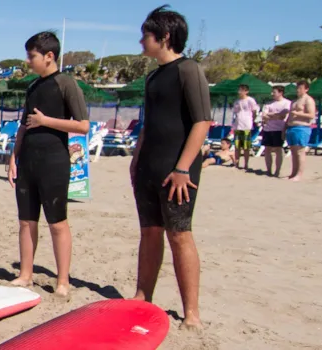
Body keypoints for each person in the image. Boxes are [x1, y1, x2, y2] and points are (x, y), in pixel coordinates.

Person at [130, 5, 211, 330]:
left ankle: (191, 313)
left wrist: (182, 169)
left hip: (178, 169)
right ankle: (142, 296)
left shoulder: (188, 70)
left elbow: (202, 122)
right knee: (149, 232)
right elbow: (149, 125)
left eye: (145, 35)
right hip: (148, 166)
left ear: (164, 37)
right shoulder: (152, 76)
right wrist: (136, 160)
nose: (141, 41)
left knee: (179, 234)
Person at [6, 32, 89, 296]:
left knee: (57, 222)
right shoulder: (32, 87)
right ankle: (25, 275)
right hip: (28, 160)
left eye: (32, 56)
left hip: (54, 161)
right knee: (26, 221)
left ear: (49, 56)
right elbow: (23, 126)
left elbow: (83, 126)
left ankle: (63, 280)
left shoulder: (66, 83)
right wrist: (14, 156)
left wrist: (46, 122)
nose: (28, 61)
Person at [285, 81, 317, 182]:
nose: (298, 90)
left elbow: (311, 115)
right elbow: (289, 116)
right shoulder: (294, 101)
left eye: (300, 88)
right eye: (297, 88)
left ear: (306, 89)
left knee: (300, 152)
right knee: (293, 151)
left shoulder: (308, 100)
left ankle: (299, 174)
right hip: (291, 127)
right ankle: (293, 173)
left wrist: (298, 114)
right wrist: (285, 128)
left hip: (302, 127)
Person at [259, 86, 291, 177]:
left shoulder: (287, 103)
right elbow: (264, 116)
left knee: (278, 149)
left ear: (280, 93)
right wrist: (275, 116)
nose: (272, 94)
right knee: (267, 149)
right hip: (268, 129)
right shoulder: (269, 103)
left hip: (279, 129)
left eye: (274, 92)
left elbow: (283, 115)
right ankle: (268, 170)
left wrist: (271, 115)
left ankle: (277, 170)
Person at [230, 84, 259, 169]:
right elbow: (235, 112)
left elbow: (254, 111)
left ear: (246, 91)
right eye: (239, 90)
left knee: (246, 146)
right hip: (238, 125)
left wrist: (253, 120)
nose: (239, 92)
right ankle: (236, 163)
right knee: (237, 146)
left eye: (241, 90)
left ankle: (246, 164)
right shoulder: (237, 101)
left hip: (246, 125)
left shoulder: (250, 100)